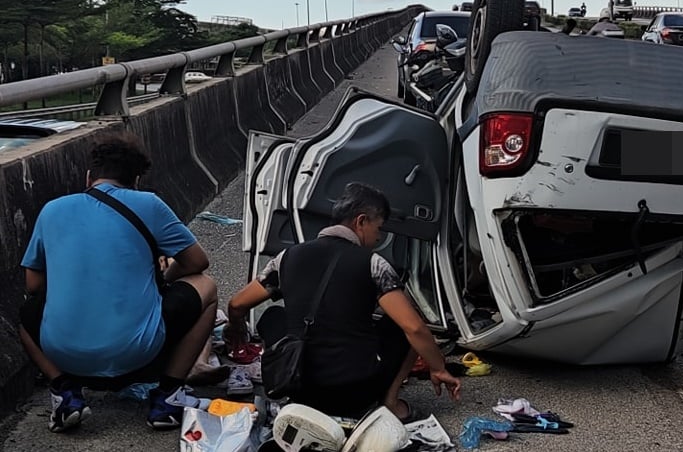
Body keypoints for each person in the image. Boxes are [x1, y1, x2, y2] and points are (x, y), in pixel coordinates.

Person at [18, 133, 218, 432]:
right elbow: (197, 263)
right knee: (207, 287)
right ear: (135, 180)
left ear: (89, 177)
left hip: (66, 355)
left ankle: (64, 391)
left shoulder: (52, 209)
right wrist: (162, 279)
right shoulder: (148, 204)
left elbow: (33, 285)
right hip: (139, 356)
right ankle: (168, 398)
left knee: (25, 314)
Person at [224, 182, 461, 421]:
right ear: (361, 222)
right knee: (403, 324)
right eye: (379, 228)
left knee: (273, 316)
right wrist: (438, 368)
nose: (378, 238)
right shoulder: (373, 263)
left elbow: (236, 305)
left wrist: (236, 330)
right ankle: (389, 403)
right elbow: (414, 328)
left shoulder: (287, 257)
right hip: (354, 393)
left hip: (297, 387)